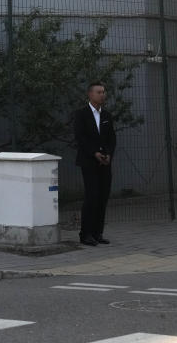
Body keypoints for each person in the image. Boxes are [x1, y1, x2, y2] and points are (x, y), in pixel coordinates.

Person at [73, 81, 116, 246]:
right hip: (89, 162)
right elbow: (80, 137)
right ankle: (86, 234)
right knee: (92, 197)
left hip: (105, 163)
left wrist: (109, 154)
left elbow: (112, 138)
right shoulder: (81, 114)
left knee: (103, 197)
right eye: (99, 92)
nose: (102, 95)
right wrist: (94, 153)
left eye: (104, 92)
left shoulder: (106, 116)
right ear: (90, 94)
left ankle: (98, 232)